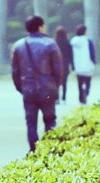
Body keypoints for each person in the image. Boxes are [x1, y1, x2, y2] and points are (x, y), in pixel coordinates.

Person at [10, 14, 65, 151]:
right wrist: (55, 85)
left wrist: (21, 87)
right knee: (50, 120)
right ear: (40, 27)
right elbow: (58, 70)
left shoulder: (18, 45)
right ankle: (49, 149)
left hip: (28, 89)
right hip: (47, 89)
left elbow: (15, 72)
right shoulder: (50, 44)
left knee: (31, 122)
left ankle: (33, 149)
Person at [70, 23, 98, 104]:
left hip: (78, 67)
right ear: (84, 31)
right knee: (88, 82)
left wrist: (72, 66)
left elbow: (71, 55)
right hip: (87, 65)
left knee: (79, 83)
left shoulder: (73, 42)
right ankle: (86, 92)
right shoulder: (88, 41)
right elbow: (92, 53)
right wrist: (94, 62)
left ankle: (81, 97)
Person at [53, 25, 76, 101]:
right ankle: (64, 97)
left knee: (56, 82)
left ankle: (57, 97)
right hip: (65, 64)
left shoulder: (54, 42)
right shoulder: (67, 42)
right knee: (64, 81)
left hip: (56, 64)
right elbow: (71, 55)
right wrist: (72, 65)